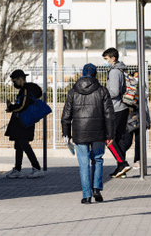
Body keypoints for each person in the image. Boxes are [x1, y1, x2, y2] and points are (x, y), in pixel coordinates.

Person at [62, 63, 115, 204]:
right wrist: (110, 135)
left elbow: (66, 116)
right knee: (97, 159)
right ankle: (96, 188)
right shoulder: (103, 91)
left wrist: (66, 134)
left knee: (84, 163)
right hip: (99, 131)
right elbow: (109, 115)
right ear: (96, 75)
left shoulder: (72, 92)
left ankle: (86, 195)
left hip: (80, 132)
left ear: (81, 75)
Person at [4, 69, 44, 179]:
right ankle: (17, 169)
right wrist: (12, 107)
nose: (14, 84)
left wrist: (11, 108)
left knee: (24, 144)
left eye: (14, 81)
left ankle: (37, 168)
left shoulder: (26, 89)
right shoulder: (25, 89)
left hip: (24, 122)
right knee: (19, 145)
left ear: (20, 79)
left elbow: (22, 106)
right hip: (23, 121)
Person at [102, 47, 132, 178]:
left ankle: (122, 163)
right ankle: (121, 169)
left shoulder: (114, 71)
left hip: (115, 108)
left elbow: (114, 92)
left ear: (113, 58)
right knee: (119, 138)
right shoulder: (121, 69)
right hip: (123, 108)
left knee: (108, 138)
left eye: (106, 59)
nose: (105, 61)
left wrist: (103, 94)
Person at [123, 71, 151, 169]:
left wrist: (148, 120)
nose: (137, 78)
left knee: (139, 140)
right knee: (127, 141)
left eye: (139, 77)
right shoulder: (129, 89)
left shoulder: (144, 89)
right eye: (135, 77)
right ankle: (122, 161)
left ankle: (137, 160)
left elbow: (146, 106)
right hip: (130, 118)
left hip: (140, 117)